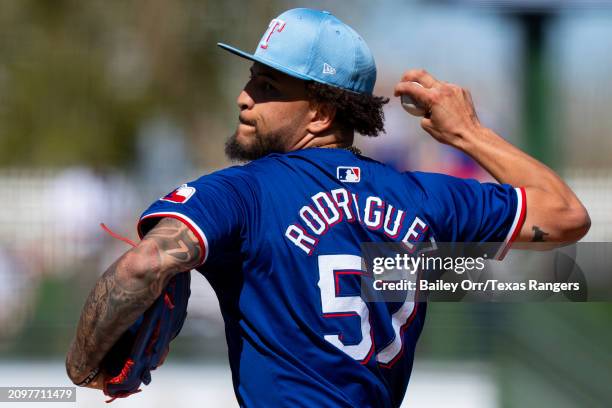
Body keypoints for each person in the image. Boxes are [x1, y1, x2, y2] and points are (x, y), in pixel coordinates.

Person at [65, 8, 590, 407]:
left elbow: (143, 265)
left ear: (319, 111)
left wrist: (81, 366)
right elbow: (567, 216)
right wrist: (468, 133)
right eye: (251, 79)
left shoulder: (244, 194)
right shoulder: (425, 198)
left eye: (268, 86)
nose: (245, 97)